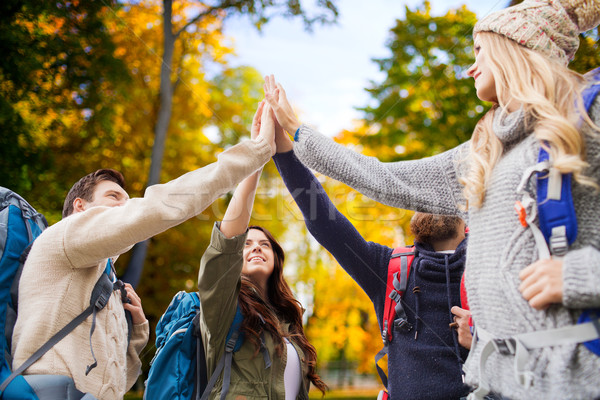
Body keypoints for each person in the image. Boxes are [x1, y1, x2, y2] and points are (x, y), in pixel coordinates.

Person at [263, 1, 600, 398]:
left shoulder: (585, 119)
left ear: (514, 46)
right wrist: (295, 134)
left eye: (479, 51)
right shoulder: (483, 150)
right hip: (494, 388)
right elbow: (383, 179)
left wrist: (580, 274)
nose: (471, 67)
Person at [10, 102, 277, 399]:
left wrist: (137, 332)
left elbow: (117, 385)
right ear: (79, 206)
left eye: (127, 200)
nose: (124, 206)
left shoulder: (108, 286)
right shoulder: (63, 237)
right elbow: (157, 207)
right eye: (113, 197)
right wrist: (257, 151)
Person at [272, 127, 469, 399]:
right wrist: (284, 152)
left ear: (468, 215)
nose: (431, 198)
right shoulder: (388, 268)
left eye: (443, 192)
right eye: (423, 194)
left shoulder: (494, 265)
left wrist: (484, 340)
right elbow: (324, 222)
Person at [196, 102, 326, 400]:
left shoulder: (290, 320)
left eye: (264, 244)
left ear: (277, 259)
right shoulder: (222, 310)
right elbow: (226, 242)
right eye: (247, 245)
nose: (255, 248)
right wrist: (258, 155)